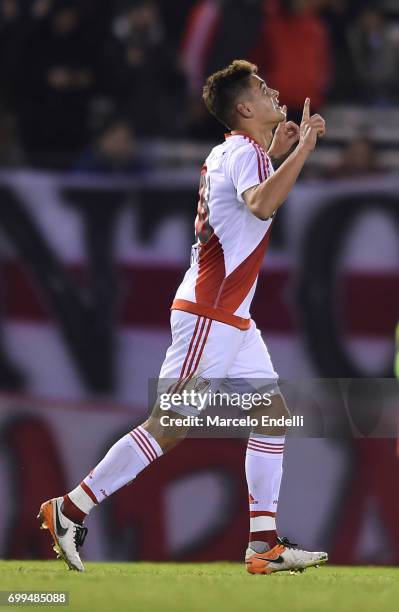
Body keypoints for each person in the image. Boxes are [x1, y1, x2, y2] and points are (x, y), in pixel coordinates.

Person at [38, 59, 328, 574]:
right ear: (244, 109)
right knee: (170, 425)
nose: (274, 90)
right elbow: (260, 206)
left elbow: (251, 202)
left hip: (230, 317)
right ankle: (70, 508)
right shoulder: (244, 153)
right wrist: (303, 149)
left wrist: (281, 152)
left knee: (271, 412)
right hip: (210, 314)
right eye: (262, 88)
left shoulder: (239, 152)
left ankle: (263, 544)